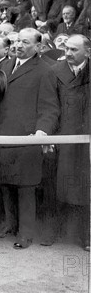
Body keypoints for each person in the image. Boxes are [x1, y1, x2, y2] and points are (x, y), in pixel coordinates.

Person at [0, 28, 59, 249]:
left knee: (25, 186)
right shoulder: (4, 66)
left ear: (38, 47)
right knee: (4, 182)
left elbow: (49, 108)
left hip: (27, 137)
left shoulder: (45, 71)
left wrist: (42, 132)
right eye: (17, 41)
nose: (18, 45)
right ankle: (8, 224)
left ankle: (25, 233)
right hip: (2, 134)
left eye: (25, 42)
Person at [54, 35, 90, 250]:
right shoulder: (56, 72)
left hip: (88, 137)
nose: (68, 53)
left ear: (87, 52)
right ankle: (61, 231)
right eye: (66, 48)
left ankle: (86, 235)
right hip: (65, 137)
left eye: (74, 50)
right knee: (65, 184)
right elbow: (50, 107)